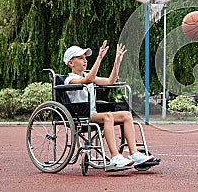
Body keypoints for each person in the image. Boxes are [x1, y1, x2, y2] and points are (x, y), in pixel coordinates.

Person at [63, 40, 154, 170]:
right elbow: (87, 80)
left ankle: (134, 153)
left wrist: (117, 61)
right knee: (108, 117)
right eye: (80, 58)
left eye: (85, 58)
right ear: (70, 63)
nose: (85, 60)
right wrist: (99, 57)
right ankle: (115, 156)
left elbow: (110, 81)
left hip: (93, 114)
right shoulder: (69, 79)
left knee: (126, 115)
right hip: (80, 116)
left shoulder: (88, 76)